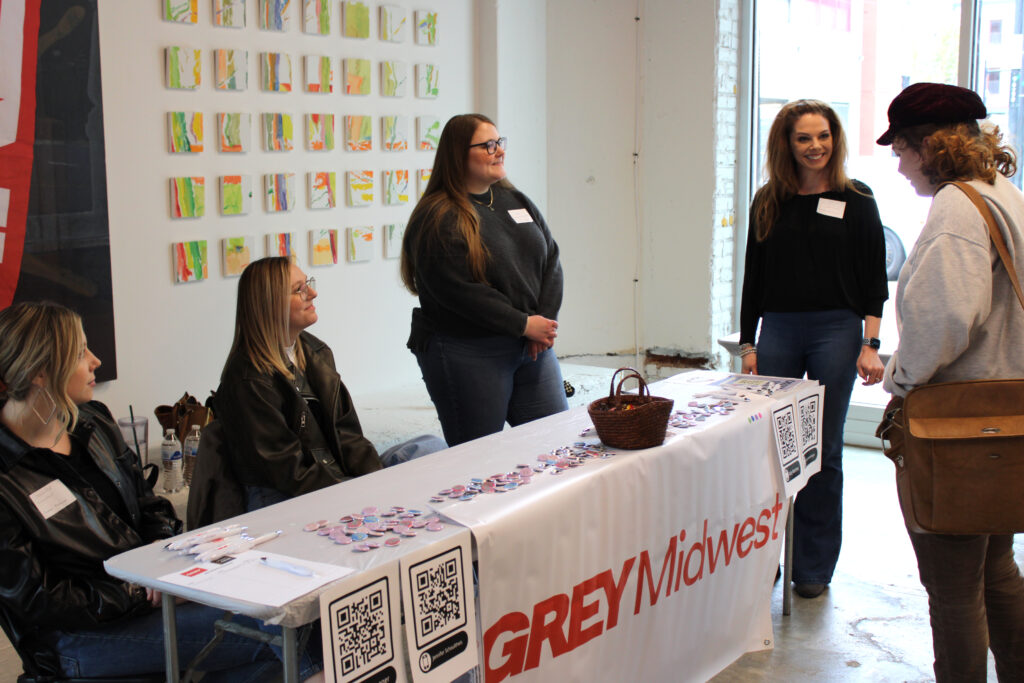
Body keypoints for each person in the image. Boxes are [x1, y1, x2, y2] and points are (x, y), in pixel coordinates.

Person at [0, 301, 307, 681]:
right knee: (278, 631)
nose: (95, 360)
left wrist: (163, 568)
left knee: (284, 613)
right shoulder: (7, 477)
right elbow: (36, 598)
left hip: (148, 597)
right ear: (41, 374)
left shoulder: (94, 422)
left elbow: (153, 508)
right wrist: (138, 589)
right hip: (75, 639)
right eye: (80, 352)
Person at [877, 82, 1024, 681]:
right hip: (1004, 412)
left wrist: (901, 379)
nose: (897, 161)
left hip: (959, 427)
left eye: (901, 148)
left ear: (928, 145)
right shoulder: (1003, 192)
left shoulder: (958, 207)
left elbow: (944, 320)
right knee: (996, 569)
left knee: (954, 588)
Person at [739, 100, 889, 599]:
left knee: (822, 448)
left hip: (836, 332)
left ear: (835, 138)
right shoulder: (768, 201)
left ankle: (813, 567)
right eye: (804, 138)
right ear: (787, 144)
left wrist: (871, 344)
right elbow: (753, 281)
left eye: (823, 136)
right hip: (778, 329)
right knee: (772, 447)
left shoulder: (858, 199)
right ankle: (768, 557)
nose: (815, 146)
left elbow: (873, 281)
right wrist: (747, 343)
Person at [216, 257, 444, 512]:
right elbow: (289, 472)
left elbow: (349, 437)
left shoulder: (316, 353)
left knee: (431, 446)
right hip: (284, 497)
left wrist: (376, 483)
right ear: (270, 305)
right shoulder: (249, 380)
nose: (313, 293)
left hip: (333, 476)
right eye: (299, 289)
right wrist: (355, 495)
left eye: (308, 284)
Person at [401, 113, 568, 446]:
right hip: (470, 351)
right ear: (458, 154)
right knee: (479, 458)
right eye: (487, 145)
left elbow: (551, 260)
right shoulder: (438, 215)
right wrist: (523, 323)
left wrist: (542, 326)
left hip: (531, 346)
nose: (499, 151)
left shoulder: (515, 201)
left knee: (554, 446)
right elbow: (458, 291)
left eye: (499, 142)